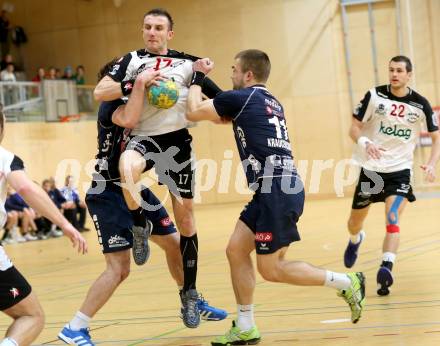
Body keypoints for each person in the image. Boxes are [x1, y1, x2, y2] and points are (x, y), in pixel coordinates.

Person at [186, 49, 366, 345]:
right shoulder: (268, 100)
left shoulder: (242, 98)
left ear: (248, 75)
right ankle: (245, 325)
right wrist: (207, 89)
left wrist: (197, 77)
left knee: (272, 269)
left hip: (278, 189)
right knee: (235, 250)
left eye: (233, 70)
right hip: (271, 189)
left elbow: (193, 112)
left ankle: (347, 282)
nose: (231, 75)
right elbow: (224, 110)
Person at [58, 60, 226, 346]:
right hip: (107, 191)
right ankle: (75, 327)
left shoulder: (139, 98)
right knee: (119, 268)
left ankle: (191, 299)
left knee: (175, 243)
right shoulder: (111, 106)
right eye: (131, 74)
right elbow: (131, 120)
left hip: (135, 188)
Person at [93, 8, 222, 328]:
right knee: (127, 166)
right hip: (144, 138)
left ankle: (190, 295)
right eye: (147, 27)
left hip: (177, 143)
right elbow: (100, 92)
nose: (152, 32)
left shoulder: (187, 63)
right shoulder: (132, 61)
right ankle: (139, 224)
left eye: (159, 28)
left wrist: (209, 86)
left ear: (170, 34)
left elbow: (220, 99)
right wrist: (136, 82)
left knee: (186, 219)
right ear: (143, 31)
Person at [342, 55, 440, 296]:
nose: (394, 74)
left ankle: (386, 266)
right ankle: (356, 239)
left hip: (400, 172)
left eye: (399, 71)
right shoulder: (374, 96)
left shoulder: (420, 105)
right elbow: (353, 128)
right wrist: (365, 143)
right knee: (354, 222)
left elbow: (436, 137)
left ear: (409, 75)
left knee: (392, 216)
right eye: (391, 70)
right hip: (372, 171)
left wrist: (431, 164)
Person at [0, 111, 87, 346]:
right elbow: (27, 189)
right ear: (3, 125)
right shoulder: (5, 158)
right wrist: (65, 224)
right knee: (31, 316)